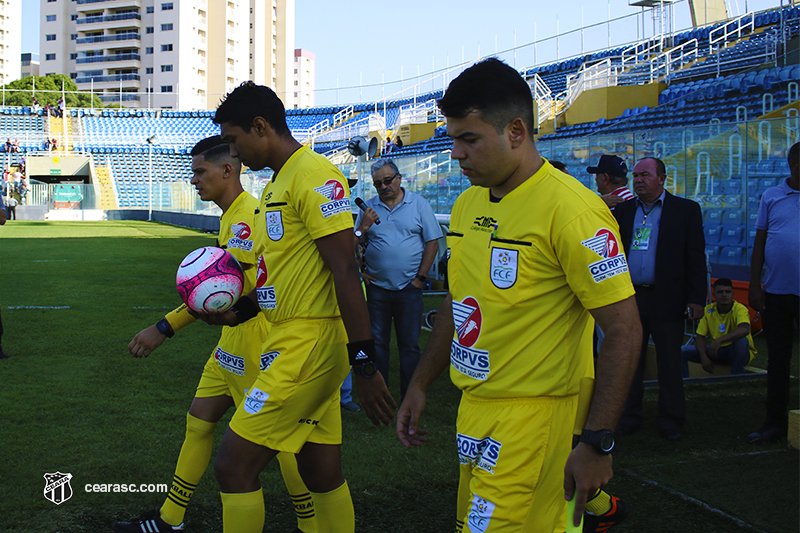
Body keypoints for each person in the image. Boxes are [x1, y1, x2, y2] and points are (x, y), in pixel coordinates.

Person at [395, 58, 641, 533]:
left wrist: (597, 442)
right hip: (476, 409)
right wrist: (421, 383)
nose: (457, 154)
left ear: (516, 131)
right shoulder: (467, 204)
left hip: (537, 417)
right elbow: (459, 302)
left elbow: (625, 330)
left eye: (469, 139)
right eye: (453, 139)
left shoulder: (573, 212)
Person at [197, 81, 395, 533]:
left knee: (233, 466)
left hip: (309, 344)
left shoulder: (313, 176)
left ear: (261, 126)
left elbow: (345, 272)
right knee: (319, 472)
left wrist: (364, 366)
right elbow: (277, 275)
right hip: (289, 337)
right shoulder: (275, 185)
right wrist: (238, 312)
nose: (235, 153)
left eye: (235, 140)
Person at [113, 136, 319, 533]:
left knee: (281, 443)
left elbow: (238, 292)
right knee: (199, 422)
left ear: (228, 170)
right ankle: (170, 518)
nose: (193, 180)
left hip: (256, 346)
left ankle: (311, 524)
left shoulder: (246, 217)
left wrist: (164, 327)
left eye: (199, 172)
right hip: (230, 347)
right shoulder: (230, 216)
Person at [613, 156, 706, 442]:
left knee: (668, 363)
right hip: (631, 298)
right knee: (630, 362)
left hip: (668, 298)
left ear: (662, 178)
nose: (638, 180)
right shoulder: (624, 211)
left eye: (645, 175)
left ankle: (671, 420)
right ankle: (629, 416)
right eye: (635, 175)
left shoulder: (685, 210)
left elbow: (695, 257)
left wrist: (696, 298)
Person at [354, 158, 442, 400]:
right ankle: (381, 397)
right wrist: (361, 271)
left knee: (410, 346)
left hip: (409, 288)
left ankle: (409, 396)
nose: (383, 186)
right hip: (377, 289)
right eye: (377, 183)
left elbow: (432, 242)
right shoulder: (368, 208)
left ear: (399, 178)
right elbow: (353, 245)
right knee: (378, 345)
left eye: (387, 180)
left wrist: (420, 278)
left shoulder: (418, 204)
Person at [747, 141, 799, 444]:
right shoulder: (772, 196)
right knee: (778, 359)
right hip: (777, 292)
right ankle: (775, 421)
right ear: (793, 164)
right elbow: (759, 244)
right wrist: (755, 284)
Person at [681, 277, 756, 377]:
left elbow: (744, 329)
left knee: (741, 340)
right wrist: (703, 357)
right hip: (716, 352)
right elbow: (700, 337)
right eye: (720, 292)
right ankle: (684, 382)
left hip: (736, 352)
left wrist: (719, 341)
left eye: (727, 292)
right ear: (714, 295)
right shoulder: (708, 310)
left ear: (733, 295)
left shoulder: (740, 309)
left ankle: (737, 376)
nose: (724, 295)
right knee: (682, 351)